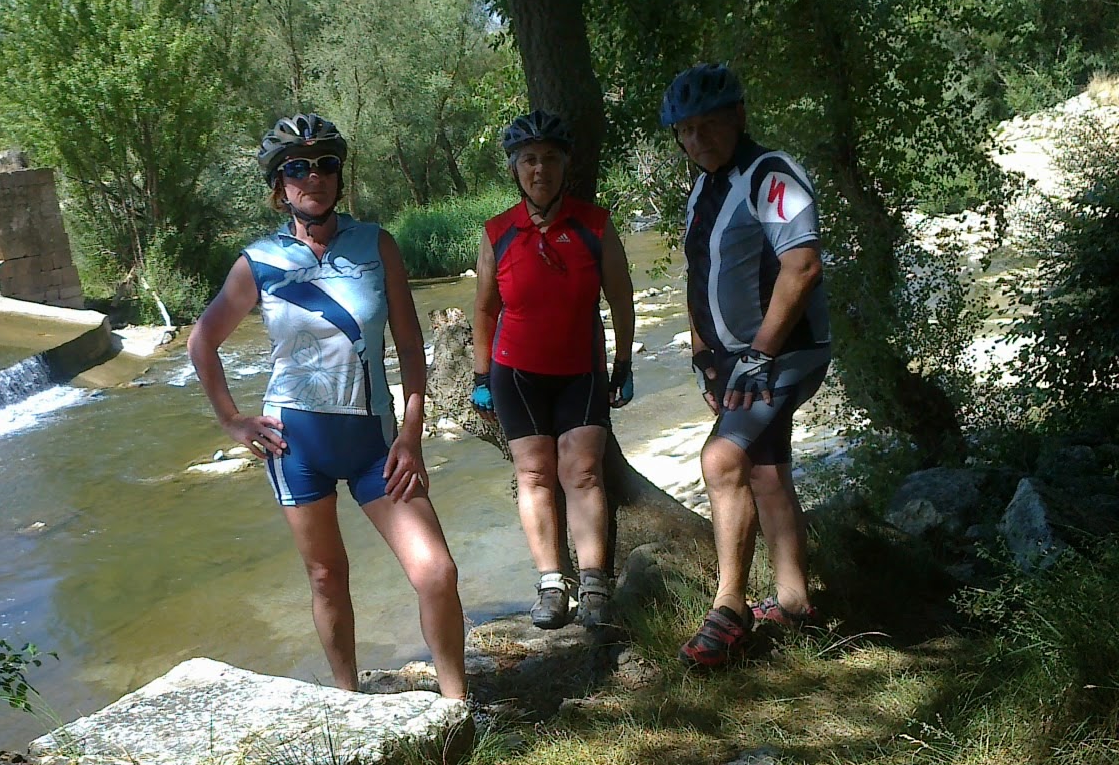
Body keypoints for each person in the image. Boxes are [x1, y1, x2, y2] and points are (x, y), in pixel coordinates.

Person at [187, 113, 467, 700]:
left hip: (378, 445)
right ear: (279, 185)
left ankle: (455, 705)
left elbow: (411, 345)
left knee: (436, 573)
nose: (312, 177)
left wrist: (412, 433)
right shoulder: (259, 261)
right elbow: (203, 339)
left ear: (340, 176)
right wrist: (232, 420)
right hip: (295, 446)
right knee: (325, 577)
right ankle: (347, 699)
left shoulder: (376, 244)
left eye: (325, 165)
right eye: (296, 168)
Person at [660, 64, 832, 667]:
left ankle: (728, 610)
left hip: (787, 351)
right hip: (739, 359)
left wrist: (756, 356)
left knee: (722, 457)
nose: (696, 139)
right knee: (764, 469)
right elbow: (697, 276)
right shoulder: (702, 192)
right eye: (685, 130)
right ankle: (793, 603)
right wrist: (704, 353)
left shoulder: (771, 174)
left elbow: (802, 266)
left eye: (708, 125)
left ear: (738, 117)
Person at [470, 111, 636, 630]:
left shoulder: (595, 226)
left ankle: (593, 583)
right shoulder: (497, 232)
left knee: (582, 472)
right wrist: (479, 377)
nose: (539, 169)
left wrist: (624, 361)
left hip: (580, 371)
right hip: (514, 374)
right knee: (534, 475)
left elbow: (622, 298)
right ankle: (550, 582)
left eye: (549, 159)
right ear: (515, 170)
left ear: (566, 165)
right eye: (528, 160)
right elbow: (484, 309)